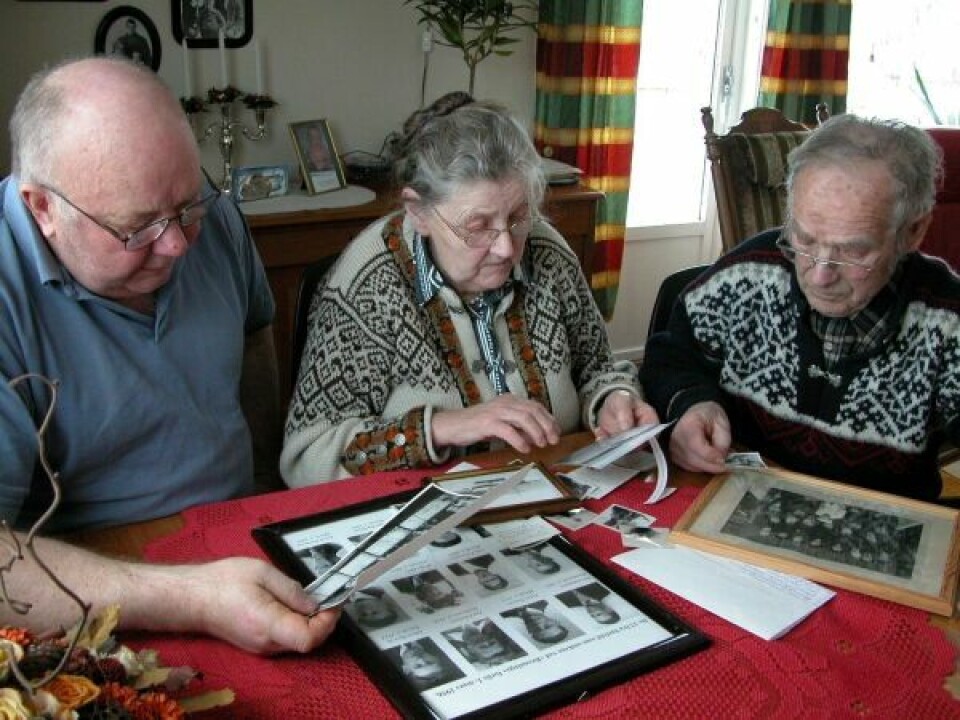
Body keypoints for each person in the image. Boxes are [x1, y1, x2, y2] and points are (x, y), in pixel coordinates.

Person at [0, 57, 337, 653]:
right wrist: (194, 597)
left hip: (246, 545)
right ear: (42, 208)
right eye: (139, 228)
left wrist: (263, 486)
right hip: (93, 596)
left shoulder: (216, 220)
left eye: (189, 207)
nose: (178, 244)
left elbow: (256, 338)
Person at [281, 91, 658, 484]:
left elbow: (596, 369)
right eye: (478, 227)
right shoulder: (369, 282)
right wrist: (443, 427)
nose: (506, 247)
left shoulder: (547, 251)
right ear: (418, 212)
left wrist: (614, 400)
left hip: (554, 495)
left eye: (517, 217)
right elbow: (309, 458)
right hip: (418, 519)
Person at [642, 114, 960, 502]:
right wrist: (691, 405)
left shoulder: (948, 324)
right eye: (805, 239)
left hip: (873, 543)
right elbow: (670, 356)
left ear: (914, 231)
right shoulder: (747, 273)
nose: (820, 275)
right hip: (733, 516)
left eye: (853, 250)